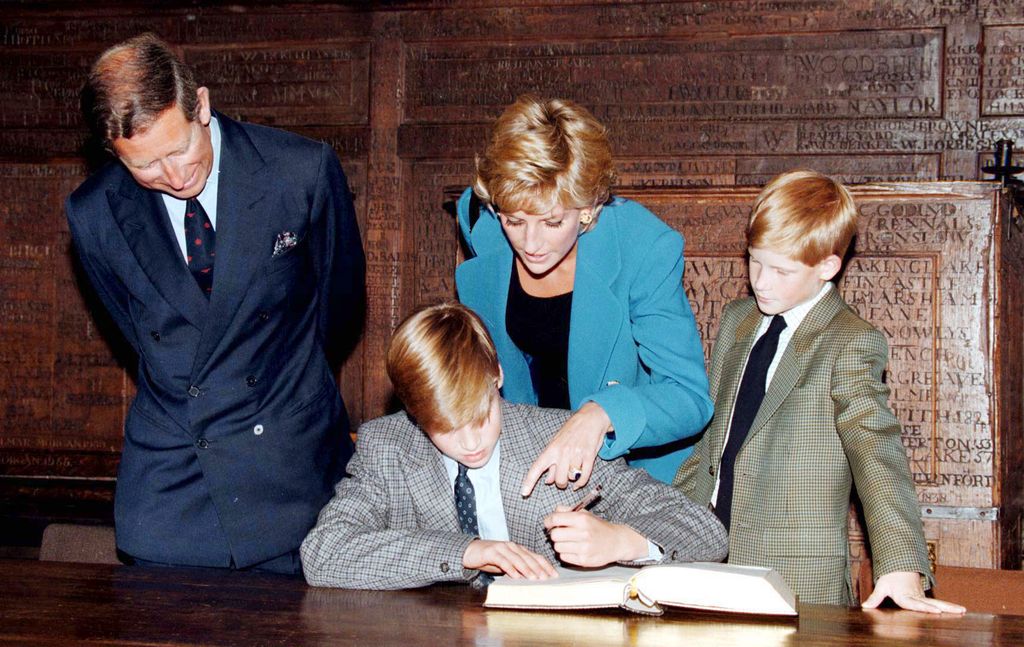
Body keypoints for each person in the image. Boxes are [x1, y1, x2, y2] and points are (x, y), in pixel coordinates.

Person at [65, 33, 365, 573]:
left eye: (179, 149)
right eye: (146, 167)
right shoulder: (94, 212)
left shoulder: (299, 171)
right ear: (115, 154)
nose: (175, 177)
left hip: (288, 467)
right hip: (173, 483)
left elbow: (339, 308)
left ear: (200, 104)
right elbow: (135, 328)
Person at [674, 170, 965, 613]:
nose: (761, 282)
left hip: (797, 578)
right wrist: (666, 527)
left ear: (827, 267)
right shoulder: (738, 319)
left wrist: (901, 563)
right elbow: (710, 441)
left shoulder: (850, 340)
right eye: (754, 261)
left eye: (781, 270)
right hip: (702, 557)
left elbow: (875, 450)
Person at [301, 303, 726, 590]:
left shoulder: (560, 439)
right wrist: (465, 551)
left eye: (481, 417)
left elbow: (706, 531)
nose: (469, 443)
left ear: (498, 375)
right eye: (444, 429)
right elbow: (323, 553)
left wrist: (623, 541)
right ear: (414, 413)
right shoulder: (387, 447)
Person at [455, 95, 712, 494]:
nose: (531, 243)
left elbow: (689, 397)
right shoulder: (484, 226)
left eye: (553, 221)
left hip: (635, 472)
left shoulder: (642, 247)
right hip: (529, 463)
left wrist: (601, 414)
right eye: (515, 220)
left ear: (589, 207)